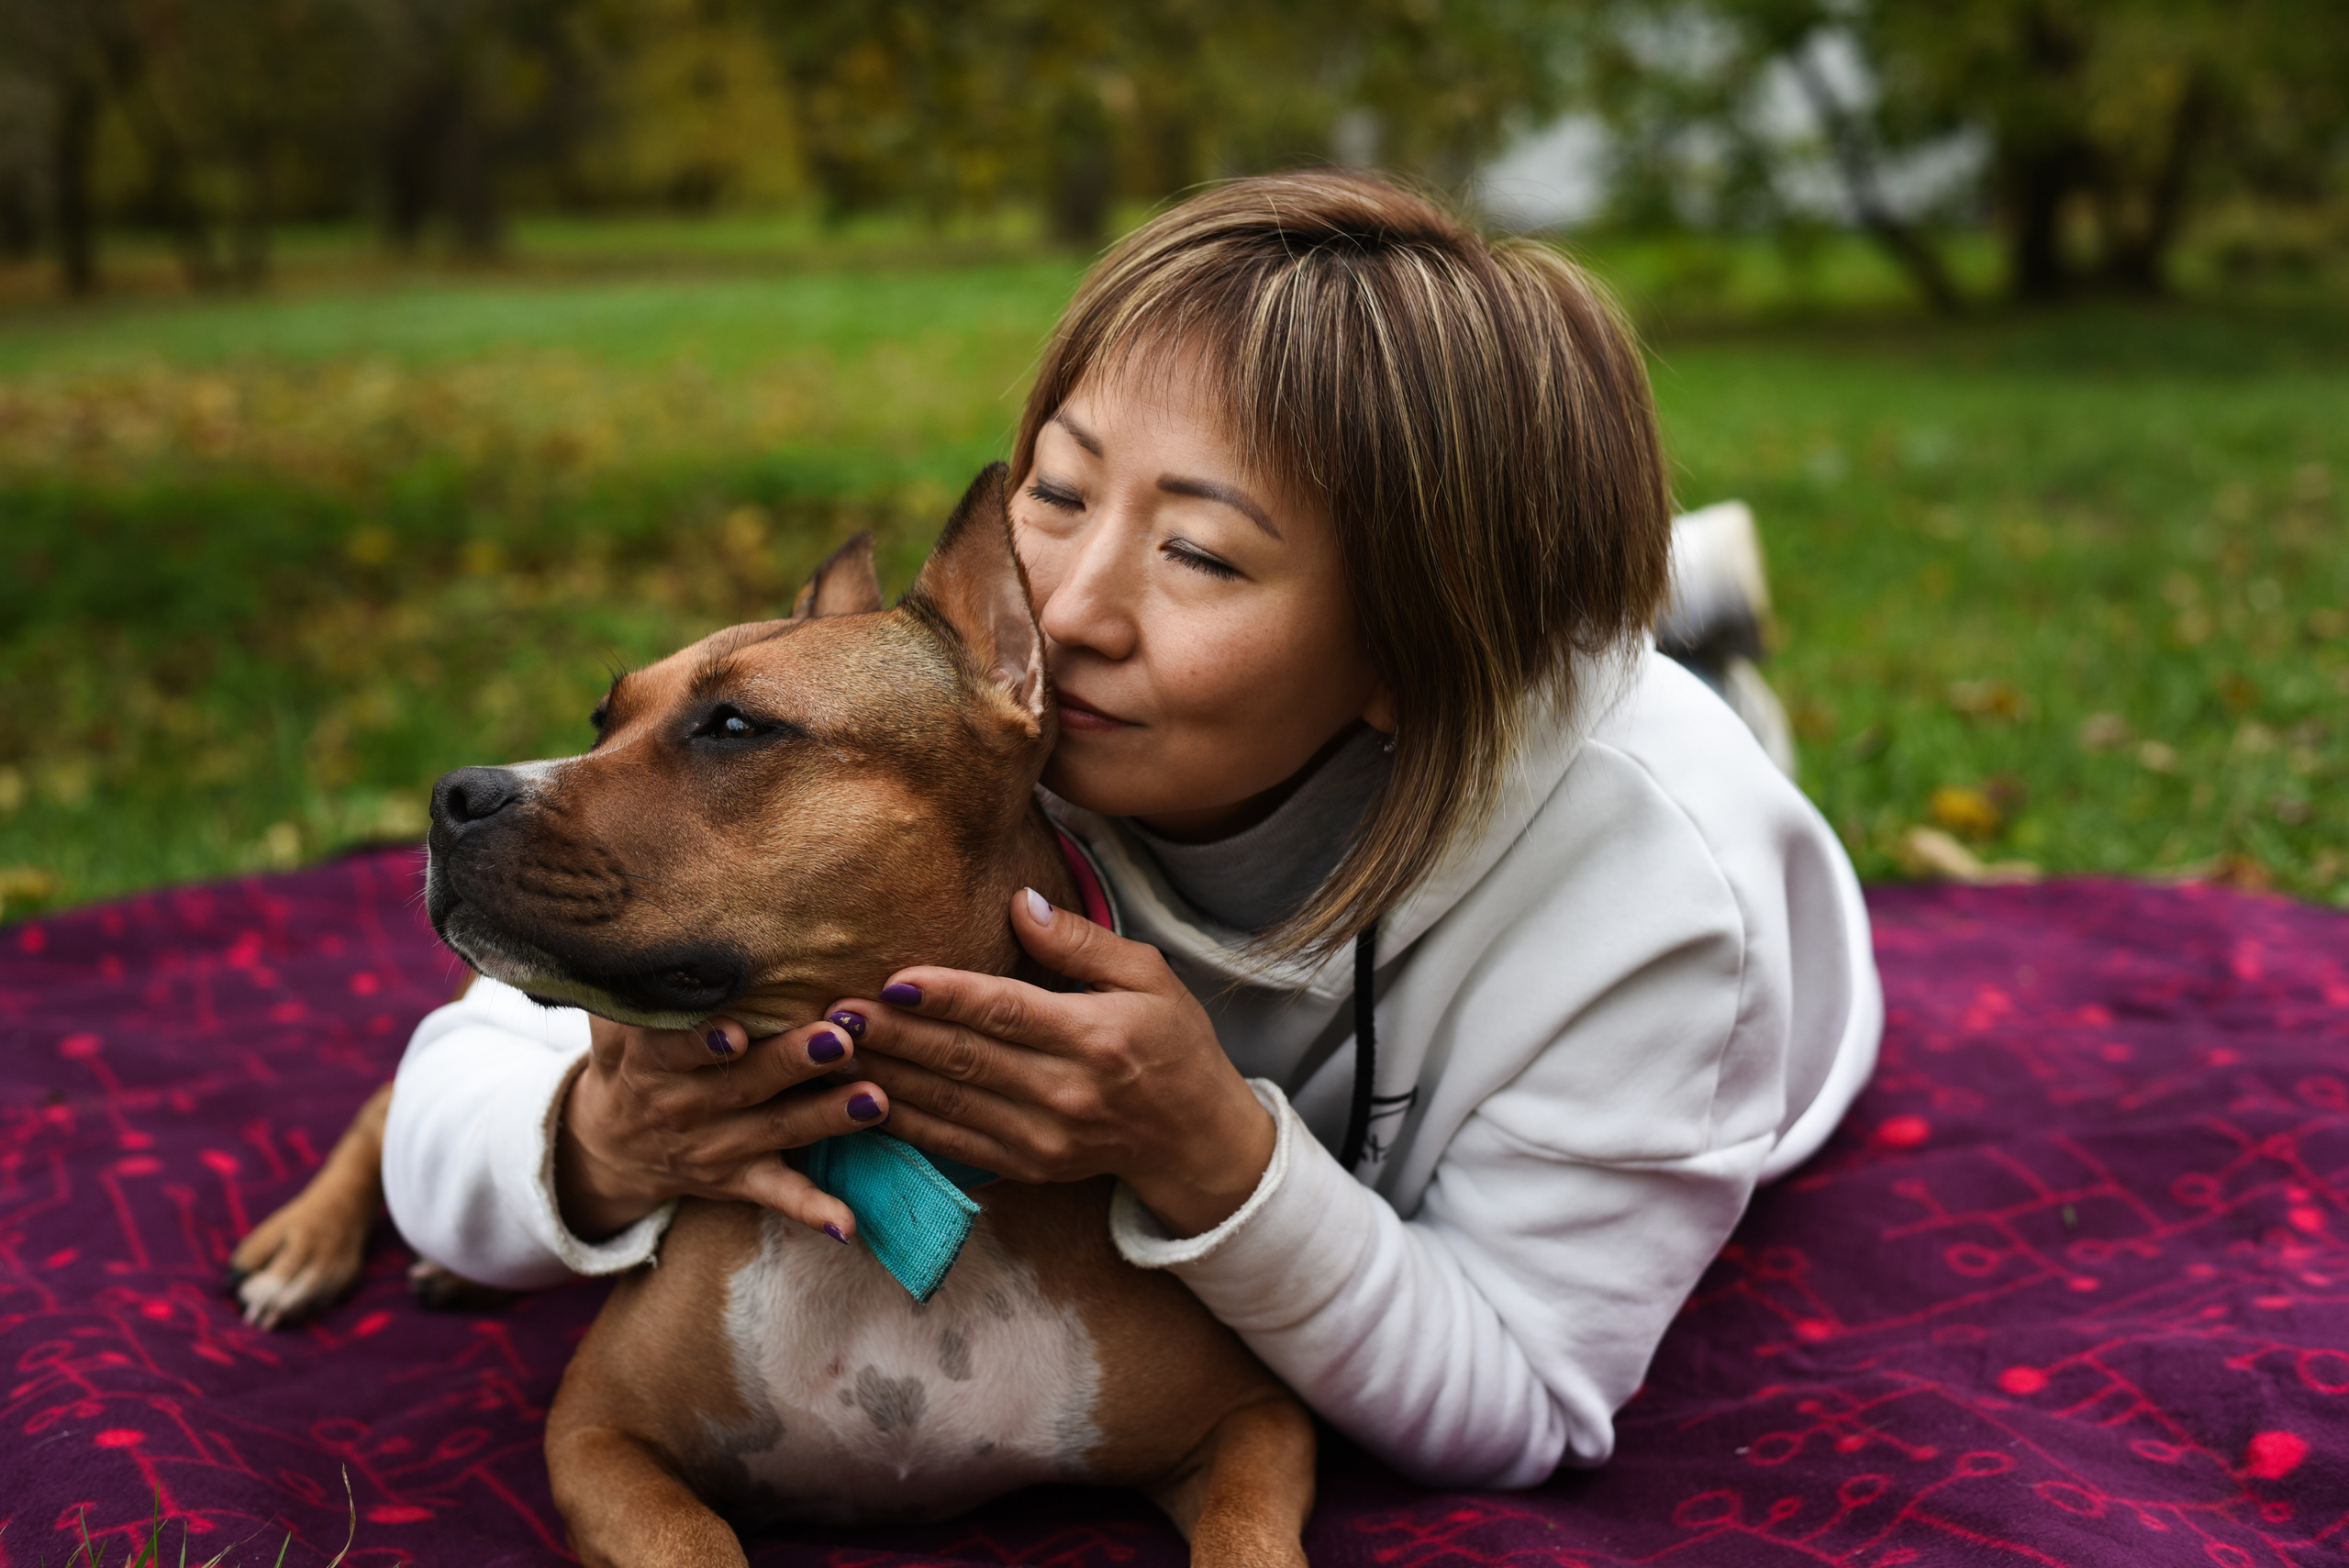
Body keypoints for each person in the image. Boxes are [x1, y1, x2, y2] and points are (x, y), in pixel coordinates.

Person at [384, 171, 1881, 1490]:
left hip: (1711, 897)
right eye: (1057, 486)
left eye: (1203, 552)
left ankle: (1684, 636)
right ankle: (1652, 586)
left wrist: (1217, 1155)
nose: (1074, 606)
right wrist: (594, 1142)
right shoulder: (991, 724)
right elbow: (461, 1088)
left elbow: (1525, 1401)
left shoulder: (1656, 907)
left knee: (1693, 723)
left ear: (1410, 652)